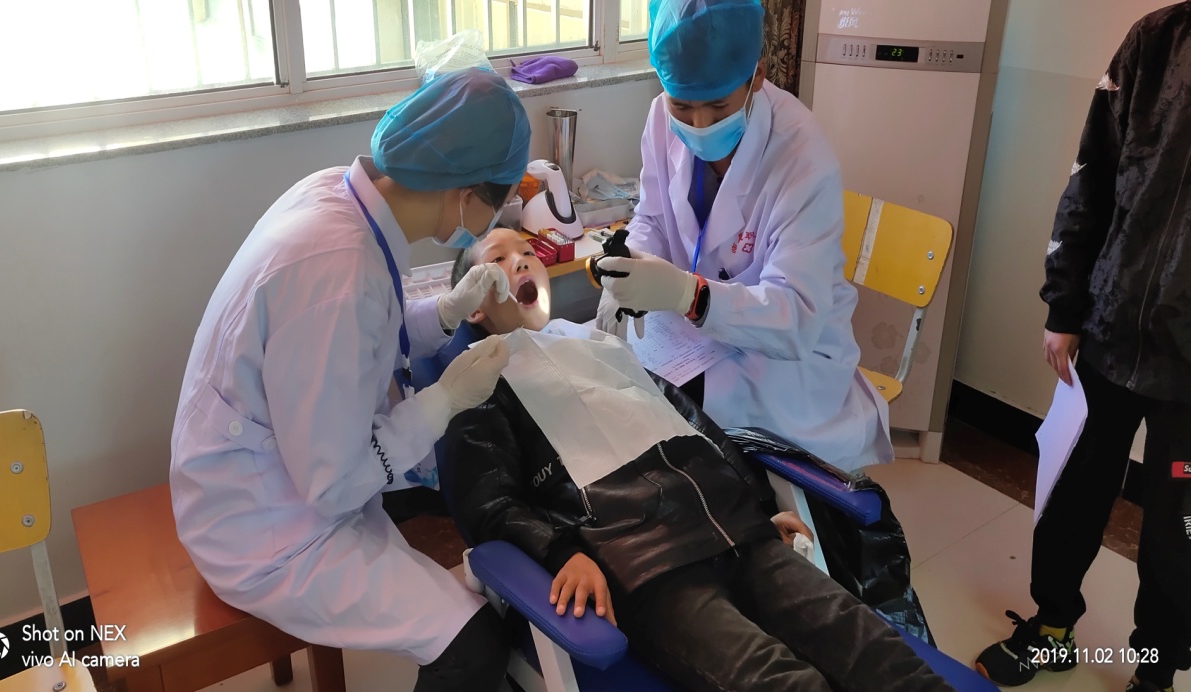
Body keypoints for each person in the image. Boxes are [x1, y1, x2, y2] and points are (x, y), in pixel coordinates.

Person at [442, 226, 953, 692]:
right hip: (642, 561)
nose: (522, 261)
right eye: (498, 260)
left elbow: (692, 425)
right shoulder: (478, 382)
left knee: (873, 647)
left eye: (528, 251)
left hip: (734, 528)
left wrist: (758, 505)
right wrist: (560, 553)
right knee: (784, 683)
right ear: (472, 308)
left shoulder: (597, 343)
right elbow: (488, 503)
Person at [169, 68, 531, 691]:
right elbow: (333, 484)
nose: (495, 225)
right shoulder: (338, 271)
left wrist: (445, 313)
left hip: (265, 468)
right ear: (468, 194)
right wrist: (444, 401)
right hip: (263, 526)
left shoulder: (337, 196)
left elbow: (363, 333)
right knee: (473, 646)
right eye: (498, 206)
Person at [974, 5, 1191, 692]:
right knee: (1072, 496)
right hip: (1109, 328)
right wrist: (1065, 305)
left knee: (1178, 531)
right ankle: (1052, 632)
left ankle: (1154, 672)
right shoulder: (1156, 40)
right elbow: (1091, 176)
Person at [593, 0, 890, 473]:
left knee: (677, 417)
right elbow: (653, 217)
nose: (699, 125)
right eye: (682, 106)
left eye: (719, 106)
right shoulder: (659, 117)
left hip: (787, 358)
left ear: (757, 76)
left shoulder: (803, 158)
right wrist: (632, 265)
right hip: (693, 341)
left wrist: (690, 296)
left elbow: (796, 316)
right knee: (612, 378)